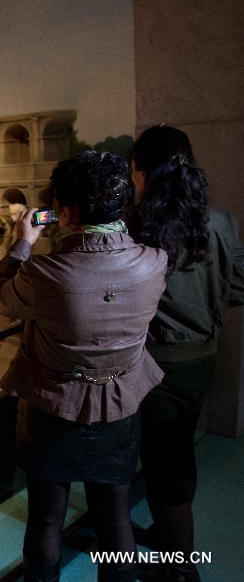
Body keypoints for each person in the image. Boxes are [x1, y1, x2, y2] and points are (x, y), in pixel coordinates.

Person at [0, 151, 168, 582]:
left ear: (64, 212)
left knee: (46, 518)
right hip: (120, 407)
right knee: (115, 517)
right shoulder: (155, 262)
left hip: (52, 410)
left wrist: (24, 242)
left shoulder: (46, 273)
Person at [128, 125, 244, 582]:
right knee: (178, 453)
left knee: (163, 464)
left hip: (156, 366)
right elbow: (239, 285)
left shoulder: (141, 228)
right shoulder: (221, 222)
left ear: (142, 175)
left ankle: (180, 566)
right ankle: (170, 537)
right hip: (203, 358)